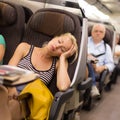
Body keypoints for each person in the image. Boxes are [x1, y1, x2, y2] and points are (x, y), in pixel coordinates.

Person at [4, 32, 78, 119]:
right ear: (55, 37)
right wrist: (11, 88)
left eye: (62, 49)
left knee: (9, 108)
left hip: (25, 101)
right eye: (59, 41)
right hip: (7, 88)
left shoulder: (58, 63)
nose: (57, 46)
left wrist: (63, 58)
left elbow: (63, 86)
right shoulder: (24, 47)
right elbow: (9, 70)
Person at [87, 24, 115, 97]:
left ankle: (92, 87)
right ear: (91, 32)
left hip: (96, 71)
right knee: (88, 61)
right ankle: (93, 86)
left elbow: (111, 64)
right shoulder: (84, 41)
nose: (98, 33)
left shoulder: (107, 47)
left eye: (101, 32)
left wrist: (102, 67)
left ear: (104, 34)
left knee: (90, 63)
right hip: (82, 68)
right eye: (96, 31)